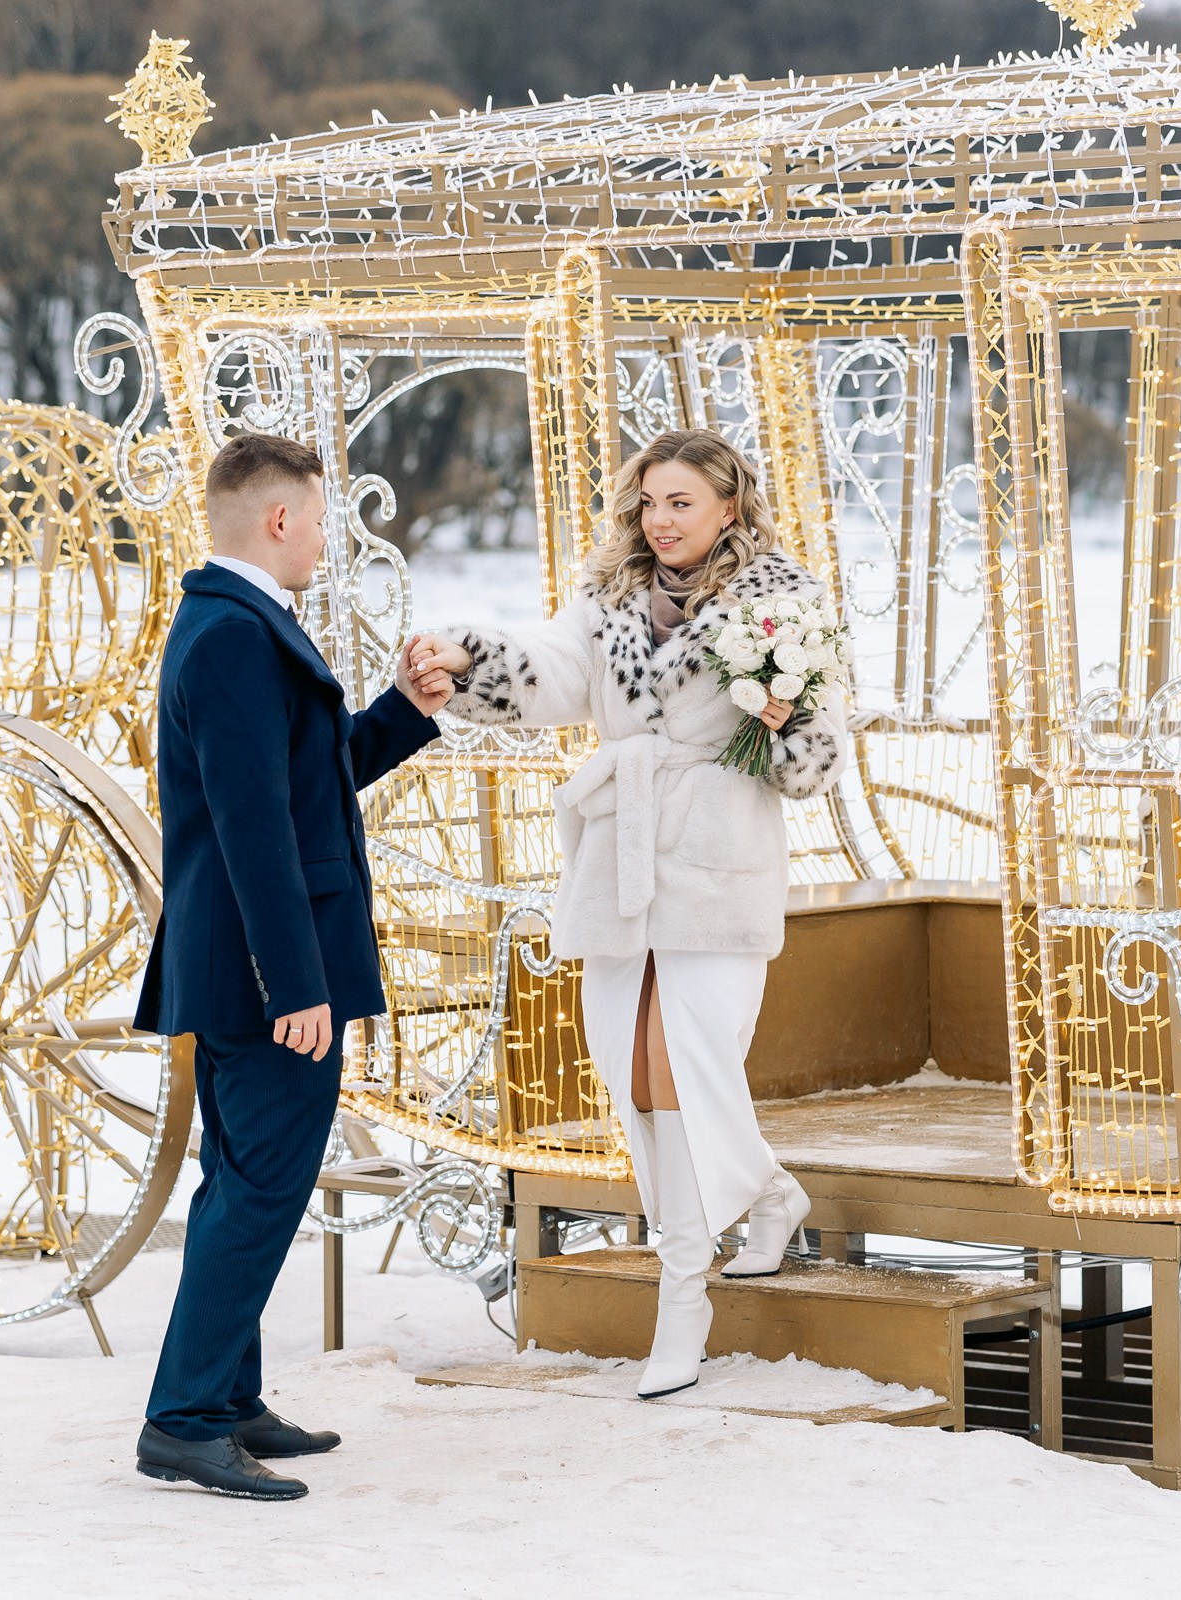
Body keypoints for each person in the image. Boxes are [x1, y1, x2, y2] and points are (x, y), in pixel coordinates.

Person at [409, 427, 848, 1400]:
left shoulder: (782, 602)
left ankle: (682, 1291)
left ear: (729, 505)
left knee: (684, 1066)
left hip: (717, 866)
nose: (661, 519)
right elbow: (550, 665)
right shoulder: (610, 600)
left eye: (681, 502)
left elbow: (815, 760)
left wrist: (785, 721)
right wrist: (467, 653)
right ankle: (772, 1197)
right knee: (633, 1070)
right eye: (650, 502)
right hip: (617, 862)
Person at [132, 430, 454, 1500]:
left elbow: (311, 785)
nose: (325, 537)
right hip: (261, 976)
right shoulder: (231, 636)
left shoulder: (241, 624)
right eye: (319, 518)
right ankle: (181, 1418)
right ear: (279, 521)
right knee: (262, 1189)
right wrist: (296, 984)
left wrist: (408, 711)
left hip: (250, 967)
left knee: (243, 1182)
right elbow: (252, 829)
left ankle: (226, 1400)